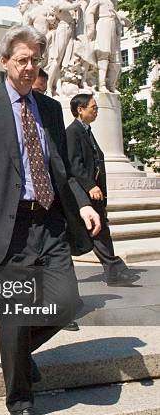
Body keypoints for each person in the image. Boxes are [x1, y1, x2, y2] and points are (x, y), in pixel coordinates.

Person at [0, 25, 100, 415]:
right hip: (3, 225)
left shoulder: (49, 109)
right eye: (23, 60)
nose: (31, 67)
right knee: (13, 313)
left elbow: (61, 169)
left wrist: (82, 205)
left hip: (48, 222)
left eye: (36, 60)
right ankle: (20, 399)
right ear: (4, 63)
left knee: (67, 302)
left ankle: (17, 349)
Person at [66, 93, 139, 286]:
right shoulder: (72, 132)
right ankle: (115, 270)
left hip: (96, 194)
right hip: (85, 194)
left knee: (100, 232)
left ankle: (113, 272)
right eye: (93, 107)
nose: (96, 111)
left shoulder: (87, 131)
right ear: (80, 110)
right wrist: (90, 186)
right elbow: (75, 165)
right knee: (98, 232)